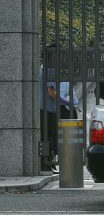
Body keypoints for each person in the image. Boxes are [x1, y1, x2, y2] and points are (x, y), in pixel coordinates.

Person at [40, 44, 79, 173]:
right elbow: (51, 93)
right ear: (53, 55)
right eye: (60, 54)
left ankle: (47, 163)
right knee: (50, 136)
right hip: (48, 108)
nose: (62, 57)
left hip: (44, 107)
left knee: (46, 135)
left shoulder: (42, 68)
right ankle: (48, 163)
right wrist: (67, 103)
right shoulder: (49, 70)